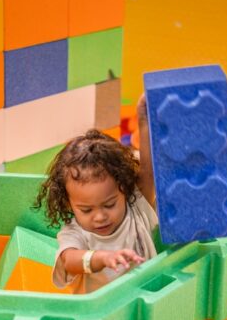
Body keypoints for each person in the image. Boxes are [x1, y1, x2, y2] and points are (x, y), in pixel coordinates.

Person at [34, 96, 157, 293]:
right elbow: (69, 260)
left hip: (141, 305)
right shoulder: (75, 232)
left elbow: (149, 173)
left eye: (109, 205)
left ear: (124, 189)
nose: (100, 216)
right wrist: (101, 258)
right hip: (98, 316)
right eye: (86, 209)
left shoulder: (135, 209)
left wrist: (144, 120)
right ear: (69, 204)